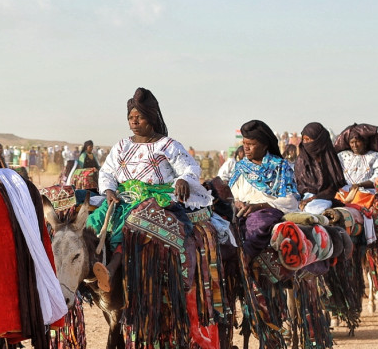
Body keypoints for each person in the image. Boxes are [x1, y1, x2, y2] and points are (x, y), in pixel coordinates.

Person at [88, 87, 211, 292]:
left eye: (140, 117)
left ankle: (112, 269)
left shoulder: (168, 145)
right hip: (123, 196)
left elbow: (190, 168)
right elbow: (107, 172)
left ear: (151, 118)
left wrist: (183, 179)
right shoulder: (121, 146)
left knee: (131, 224)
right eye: (131, 118)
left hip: (155, 198)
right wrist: (108, 190)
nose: (134, 122)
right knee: (94, 220)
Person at [224, 120, 299, 258]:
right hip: (242, 212)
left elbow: (291, 200)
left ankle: (245, 258)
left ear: (264, 145)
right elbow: (232, 195)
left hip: (268, 211)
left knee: (258, 222)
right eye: (244, 144)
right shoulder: (240, 167)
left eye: (251, 144)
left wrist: (260, 206)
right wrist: (237, 203)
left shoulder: (280, 166)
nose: (246, 148)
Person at [294, 122, 346, 214]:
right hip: (308, 196)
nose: (305, 143)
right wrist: (310, 198)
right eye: (304, 140)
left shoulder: (330, 158)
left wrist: (314, 198)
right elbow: (303, 187)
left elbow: (335, 185)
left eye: (308, 139)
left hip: (328, 196)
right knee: (310, 208)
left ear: (319, 140)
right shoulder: (302, 160)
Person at [334, 123, 378, 192]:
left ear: (365, 142)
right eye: (352, 142)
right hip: (344, 191)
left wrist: (359, 185)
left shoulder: (375, 156)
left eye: (357, 142)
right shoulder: (342, 156)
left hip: (367, 191)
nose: (355, 145)